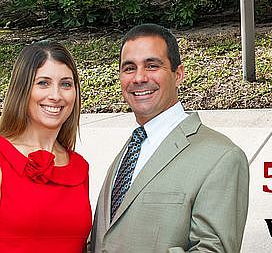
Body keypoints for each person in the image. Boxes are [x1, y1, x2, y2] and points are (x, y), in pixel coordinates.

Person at [90, 23, 249, 253]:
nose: (139, 77)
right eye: (129, 68)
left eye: (152, 65)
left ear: (178, 75)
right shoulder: (132, 147)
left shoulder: (222, 157)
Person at [0, 41, 91, 252]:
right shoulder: (2, 158)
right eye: (43, 83)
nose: (56, 95)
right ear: (22, 90)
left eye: (66, 84)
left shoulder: (79, 168)